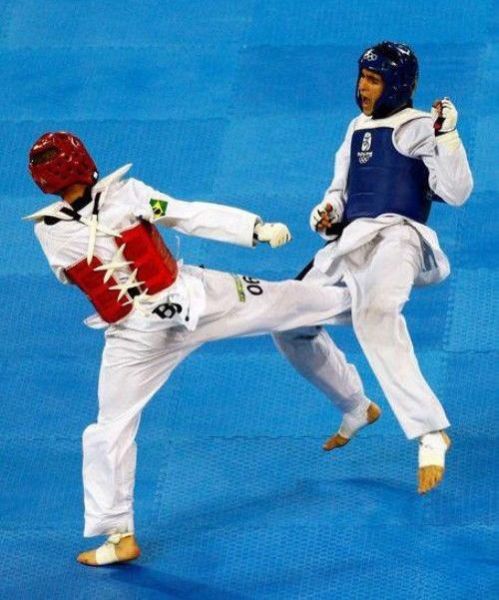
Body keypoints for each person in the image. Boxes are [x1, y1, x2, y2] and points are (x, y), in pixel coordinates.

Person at [26, 132, 374, 566]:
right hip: (137, 336)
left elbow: (187, 215)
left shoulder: (113, 200)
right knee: (109, 427)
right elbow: (178, 218)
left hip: (195, 300)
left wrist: (251, 228)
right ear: (84, 162)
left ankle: (361, 362)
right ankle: (118, 534)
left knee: (291, 303)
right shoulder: (58, 227)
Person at [273, 41, 473, 496]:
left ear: (397, 85)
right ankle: (355, 405)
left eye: (374, 79)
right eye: (362, 76)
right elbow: (339, 191)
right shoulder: (356, 127)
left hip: (398, 237)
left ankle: (430, 431)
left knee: (377, 315)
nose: (363, 87)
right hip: (350, 241)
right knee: (286, 321)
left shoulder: (420, 126)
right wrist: (326, 213)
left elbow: (457, 191)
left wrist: (448, 137)